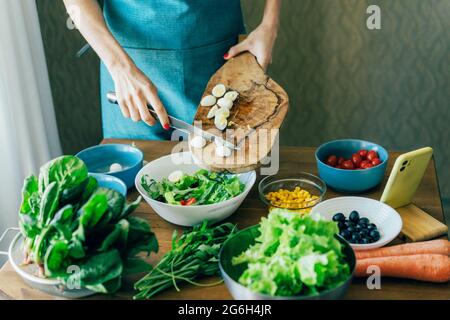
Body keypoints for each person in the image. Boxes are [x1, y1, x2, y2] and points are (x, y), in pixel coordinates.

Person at [64, 0, 281, 140]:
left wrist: (269, 25)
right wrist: (120, 68)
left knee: (231, 183)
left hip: (219, 56)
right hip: (129, 70)